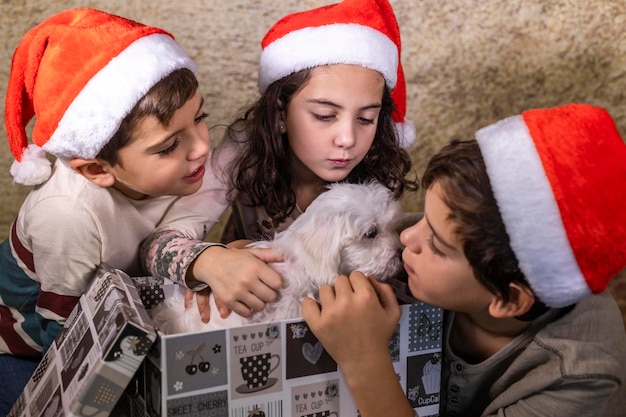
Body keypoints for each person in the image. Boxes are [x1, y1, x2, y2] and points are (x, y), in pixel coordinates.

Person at [302, 103, 626, 417]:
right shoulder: (448, 243)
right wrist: (250, 253)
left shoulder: (575, 375)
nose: (406, 239)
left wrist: (365, 360)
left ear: (508, 298)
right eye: (424, 218)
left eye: (438, 246)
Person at [0, 8, 241, 414]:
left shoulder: (182, 171)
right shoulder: (68, 216)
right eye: (168, 146)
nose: (201, 147)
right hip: (25, 344)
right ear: (97, 170)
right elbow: (68, 336)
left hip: (118, 304)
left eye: (200, 117)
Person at [141, 0, 419, 319]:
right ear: (280, 113)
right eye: (324, 115)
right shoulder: (245, 150)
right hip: (249, 315)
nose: (348, 139)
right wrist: (211, 263)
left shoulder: (376, 162)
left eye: (366, 118)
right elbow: (155, 246)